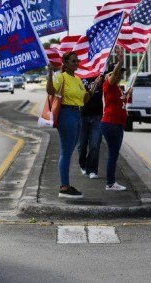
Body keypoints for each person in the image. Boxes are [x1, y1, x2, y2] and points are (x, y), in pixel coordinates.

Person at [46, 51, 99, 199]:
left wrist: (93, 88)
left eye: (77, 61)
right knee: (66, 151)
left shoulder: (77, 79)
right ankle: (64, 186)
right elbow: (50, 91)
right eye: (73, 61)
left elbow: (84, 99)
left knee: (70, 151)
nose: (77, 63)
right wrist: (50, 74)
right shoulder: (60, 77)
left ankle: (66, 185)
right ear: (65, 63)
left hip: (77, 114)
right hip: (66, 114)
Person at [100, 49, 132, 191]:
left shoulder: (118, 88)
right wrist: (120, 61)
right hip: (111, 123)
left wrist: (127, 95)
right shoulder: (109, 84)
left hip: (118, 124)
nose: (120, 75)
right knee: (113, 154)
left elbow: (121, 103)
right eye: (118, 72)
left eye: (122, 72)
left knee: (114, 153)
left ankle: (111, 182)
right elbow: (112, 78)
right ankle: (110, 183)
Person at [78, 74, 104, 179]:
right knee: (82, 145)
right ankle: (83, 165)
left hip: (97, 116)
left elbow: (111, 79)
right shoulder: (79, 76)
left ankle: (92, 169)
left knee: (95, 145)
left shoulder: (101, 75)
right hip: (82, 115)